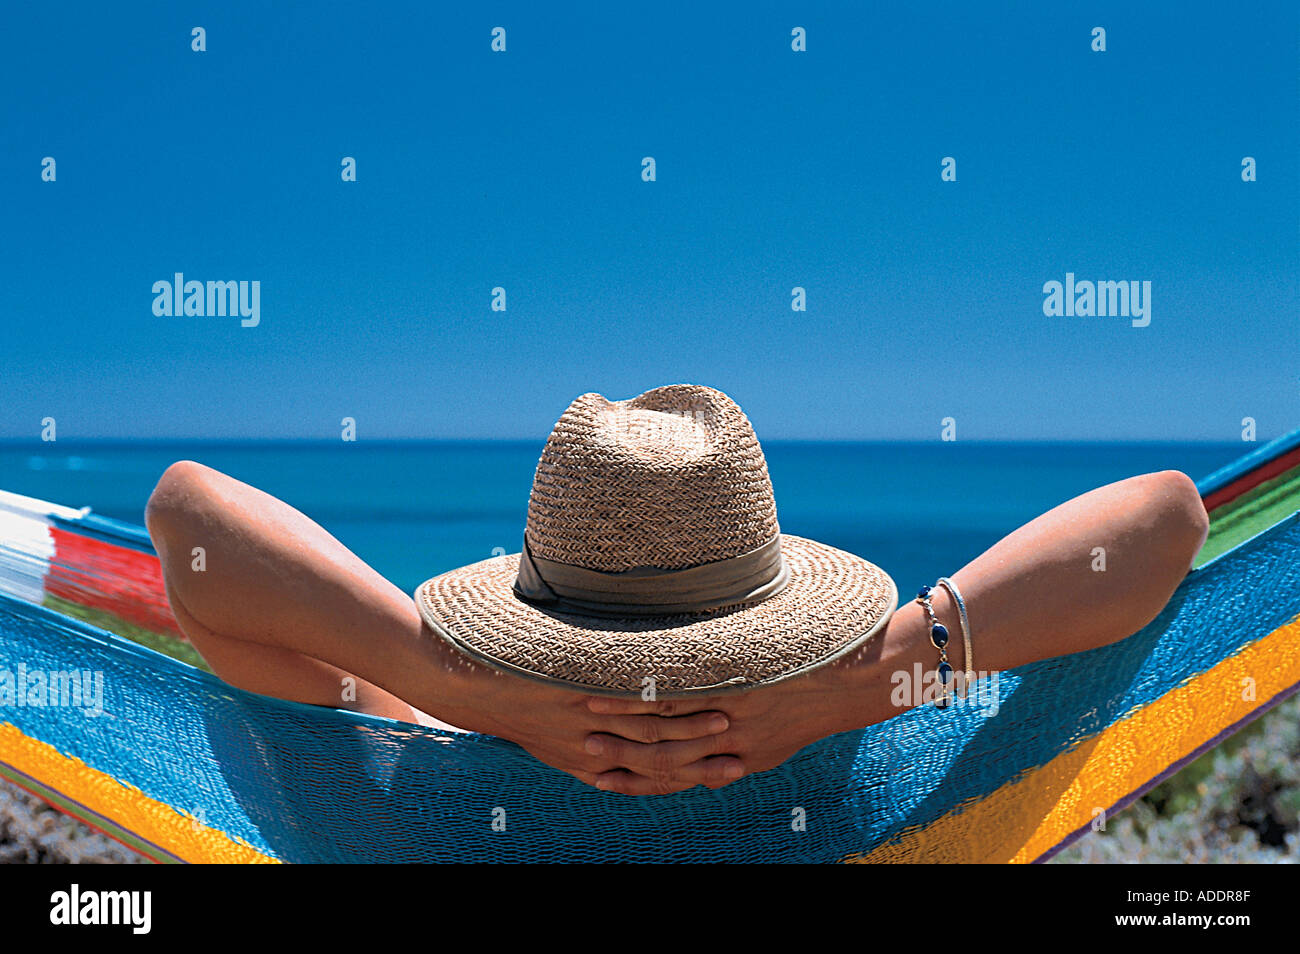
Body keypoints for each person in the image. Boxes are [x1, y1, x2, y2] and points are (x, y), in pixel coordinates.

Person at [144, 385, 1209, 796]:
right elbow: (1163, 523)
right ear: (770, 614)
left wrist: (455, 690)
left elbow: (190, 520)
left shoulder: (418, 757)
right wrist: (862, 685)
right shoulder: (850, 760)